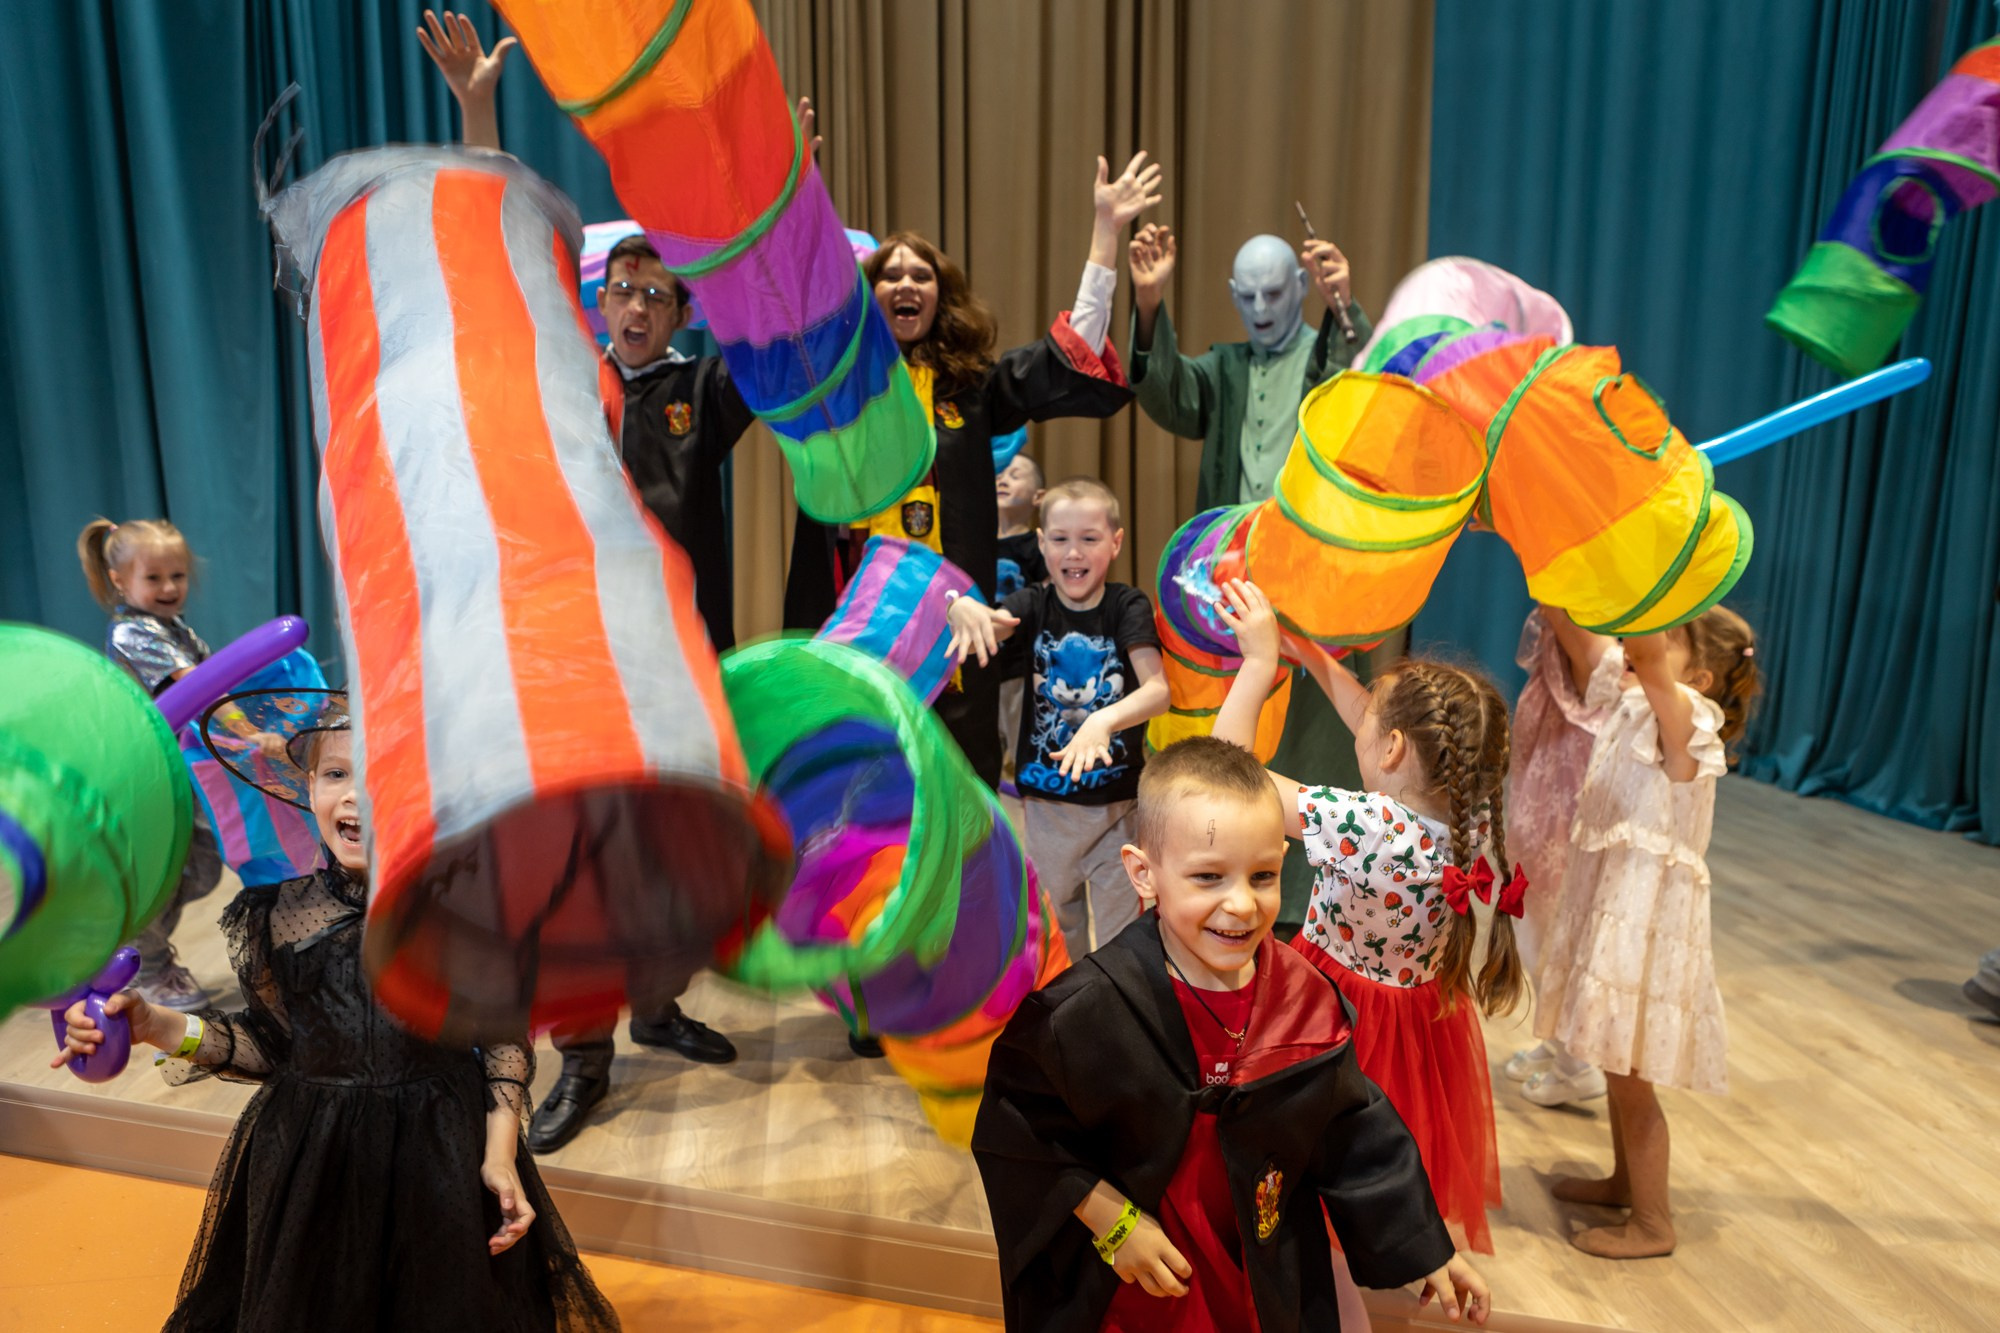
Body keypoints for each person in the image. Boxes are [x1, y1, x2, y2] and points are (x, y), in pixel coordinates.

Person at [420, 15, 759, 1148]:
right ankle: (585, 1051)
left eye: (658, 294)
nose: (635, 305)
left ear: (678, 311)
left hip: (671, 655)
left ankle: (657, 1006)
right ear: (596, 297)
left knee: (660, 845)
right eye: (621, 288)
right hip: (565, 656)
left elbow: (770, 326)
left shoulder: (701, 392)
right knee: (573, 855)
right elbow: (492, 242)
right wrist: (477, 111)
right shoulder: (554, 373)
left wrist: (765, 193)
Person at [53, 692, 619, 1330]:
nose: (355, 796)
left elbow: (504, 1046)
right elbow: (269, 1046)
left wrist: (497, 1155)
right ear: (310, 788)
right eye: (337, 774)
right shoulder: (276, 914)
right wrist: (155, 1025)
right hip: (313, 1157)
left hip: (442, 1152)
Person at [972, 735, 1489, 1331]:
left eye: (1262, 875)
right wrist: (1114, 1222)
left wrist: (1428, 1248)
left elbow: (1352, 1132)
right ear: (1144, 874)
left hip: (1259, 1278)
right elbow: (1020, 1134)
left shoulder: (1304, 1000)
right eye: (1208, 876)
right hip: (1137, 1289)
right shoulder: (1083, 1014)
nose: (1241, 904)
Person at [782, 154, 1154, 788]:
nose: (906, 285)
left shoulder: (972, 390)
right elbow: (795, 314)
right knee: (863, 784)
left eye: (921, 275)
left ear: (940, 294)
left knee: (964, 786)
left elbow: (1070, 356)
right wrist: (799, 209)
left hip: (958, 632)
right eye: (890, 275)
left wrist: (1104, 232)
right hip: (860, 618)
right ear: (868, 295)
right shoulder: (840, 390)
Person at [1211, 579, 1525, 1255]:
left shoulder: (1371, 823)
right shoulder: (1469, 817)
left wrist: (1261, 663)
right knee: (1375, 1149)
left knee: (1313, 1148)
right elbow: (1375, 719)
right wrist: (1312, 651)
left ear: (1392, 750)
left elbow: (1231, 777)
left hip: (1336, 1011)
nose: (1361, 723)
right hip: (1417, 1022)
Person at [1126, 223, 1395, 935]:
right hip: (1232, 590)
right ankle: (1239, 887)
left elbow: (1369, 388)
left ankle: (1314, 905)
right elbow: (1172, 396)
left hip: (1322, 580)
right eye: (1246, 295)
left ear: (1301, 288)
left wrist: (1347, 308)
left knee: (1320, 739)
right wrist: (1148, 301)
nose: (1262, 307)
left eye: (1276, 292)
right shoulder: (1226, 367)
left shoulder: (1329, 356)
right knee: (1241, 738)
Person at [1526, 606, 1760, 1258]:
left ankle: (1654, 1220)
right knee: (1615, 1057)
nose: (1636, 641)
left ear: (1703, 675)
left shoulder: (1686, 719)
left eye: (1661, 633)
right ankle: (1624, 1181)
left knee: (1632, 1075)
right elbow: (1593, 641)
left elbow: (1648, 656)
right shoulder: (1632, 698)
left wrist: (1651, 586)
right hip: (1613, 904)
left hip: (1646, 920)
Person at [948, 477, 1171, 961]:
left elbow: (1158, 691)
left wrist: (1101, 722)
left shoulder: (1126, 605)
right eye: (1061, 539)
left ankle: (1116, 1026)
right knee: (1059, 946)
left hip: (1118, 813)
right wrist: (963, 606)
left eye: (1089, 538)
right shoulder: (1032, 604)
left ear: (1115, 542)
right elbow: (991, 621)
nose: (1074, 552)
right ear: (1042, 543)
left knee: (1121, 949)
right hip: (1047, 814)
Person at [76, 517, 287, 1012]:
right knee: (160, 876)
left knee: (201, 869)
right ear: (119, 580)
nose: (170, 587)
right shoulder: (134, 632)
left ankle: (135, 952)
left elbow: (221, 680)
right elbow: (203, 687)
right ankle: (145, 967)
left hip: (185, 774)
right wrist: (252, 733)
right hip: (148, 778)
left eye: (178, 576)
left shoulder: (172, 628)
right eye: (154, 578)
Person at [1499, 608, 1622, 1098]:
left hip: (1569, 802)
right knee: (1538, 920)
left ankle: (1577, 1059)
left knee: (1560, 921)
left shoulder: (1595, 648)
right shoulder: (1568, 631)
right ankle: (1557, 1037)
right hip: (1546, 793)